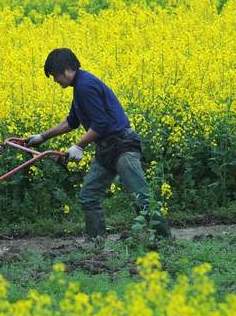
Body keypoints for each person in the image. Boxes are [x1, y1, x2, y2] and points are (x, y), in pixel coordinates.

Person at [26, 48, 171, 241]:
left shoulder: (86, 86)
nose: (55, 80)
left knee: (141, 197)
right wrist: (42, 137)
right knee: (89, 196)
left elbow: (101, 124)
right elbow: (72, 121)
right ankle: (96, 244)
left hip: (122, 146)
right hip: (106, 148)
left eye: (56, 75)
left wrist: (79, 146)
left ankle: (165, 241)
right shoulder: (79, 88)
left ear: (68, 69)